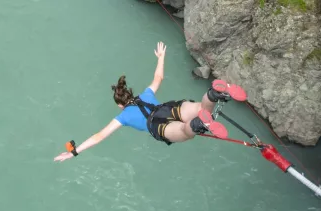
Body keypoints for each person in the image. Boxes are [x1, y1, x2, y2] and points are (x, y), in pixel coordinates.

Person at [54, 41, 246, 162]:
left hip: (157, 125)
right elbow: (158, 78)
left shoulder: (123, 116)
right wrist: (161, 57)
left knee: (184, 132)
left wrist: (74, 152)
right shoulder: (145, 95)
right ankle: (213, 94)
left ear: (121, 105)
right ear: (130, 95)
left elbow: (98, 136)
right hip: (168, 108)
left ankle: (198, 124)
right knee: (199, 107)